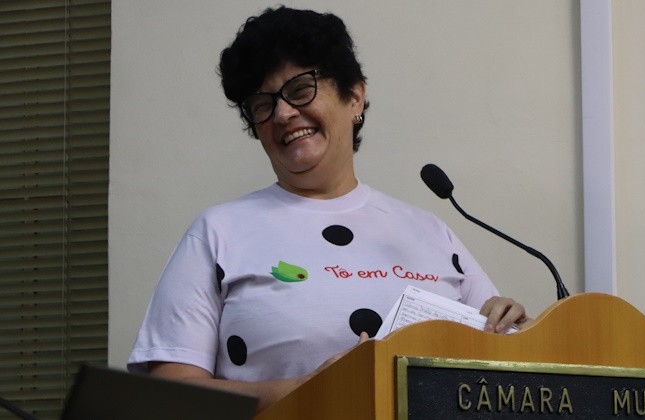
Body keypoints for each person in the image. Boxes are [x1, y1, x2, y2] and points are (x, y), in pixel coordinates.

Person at [127, 6, 530, 411]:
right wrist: (311, 390)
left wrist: (515, 330)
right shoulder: (217, 233)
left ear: (354, 96)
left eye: (301, 89)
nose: (283, 113)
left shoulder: (431, 233)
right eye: (263, 104)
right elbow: (171, 398)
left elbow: (504, 382)